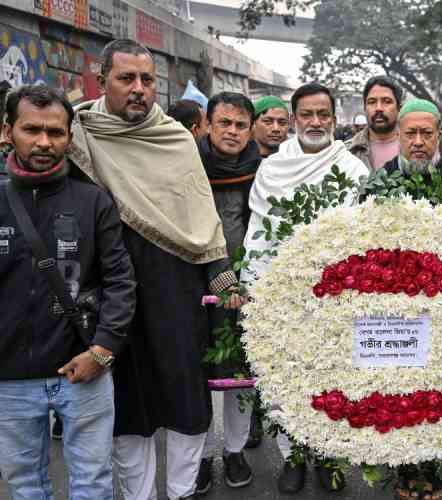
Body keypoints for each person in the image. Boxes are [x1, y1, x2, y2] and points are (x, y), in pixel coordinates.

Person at [68, 39, 245, 500]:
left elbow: (200, 215)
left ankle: (182, 492)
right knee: (128, 400)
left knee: (185, 393)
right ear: (102, 78)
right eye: (127, 78)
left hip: (176, 286)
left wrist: (222, 276)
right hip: (108, 290)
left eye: (147, 80)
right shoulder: (79, 136)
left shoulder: (175, 140)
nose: (139, 89)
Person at [0, 84, 136, 499]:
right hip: (8, 379)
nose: (44, 142)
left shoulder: (93, 201)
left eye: (56, 132)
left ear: (70, 138)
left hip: (84, 371)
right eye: (31, 130)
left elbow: (120, 281)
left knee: (93, 483)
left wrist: (102, 350)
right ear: (8, 131)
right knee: (25, 486)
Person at [243, 82, 369, 495]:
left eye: (323, 115)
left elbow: (363, 239)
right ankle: (293, 454)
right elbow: (260, 234)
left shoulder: (353, 170)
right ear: (294, 119)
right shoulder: (272, 168)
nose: (316, 122)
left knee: (335, 378)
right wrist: (260, 290)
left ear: (334, 119)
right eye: (307, 115)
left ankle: (330, 455)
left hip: (339, 297)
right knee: (286, 380)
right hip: (285, 296)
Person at [194, 92, 263, 494]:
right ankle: (201, 456)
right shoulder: (188, 166)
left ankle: (235, 451)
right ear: (207, 124)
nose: (233, 132)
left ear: (250, 128)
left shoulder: (264, 170)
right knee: (197, 374)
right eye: (225, 123)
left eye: (240, 125)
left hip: (248, 288)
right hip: (192, 285)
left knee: (240, 373)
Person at [379, 99, 442, 178]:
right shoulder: (383, 179)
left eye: (427, 133)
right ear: (399, 136)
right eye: (410, 133)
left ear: (438, 137)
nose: (418, 142)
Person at [347, 76, 402, 170]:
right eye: (372, 102)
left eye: (386, 101)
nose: (378, 108)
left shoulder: (415, 148)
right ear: (365, 108)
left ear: (399, 108)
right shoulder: (347, 152)